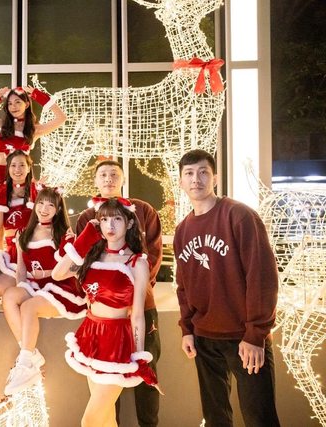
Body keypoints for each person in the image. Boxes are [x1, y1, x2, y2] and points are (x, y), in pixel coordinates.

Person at [174, 149, 280, 426]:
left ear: (215, 178)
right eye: (189, 173)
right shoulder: (182, 230)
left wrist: (255, 334)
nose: (196, 179)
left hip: (243, 337)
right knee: (215, 418)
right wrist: (187, 329)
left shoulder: (239, 215)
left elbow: (262, 277)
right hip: (204, 338)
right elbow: (183, 286)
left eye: (203, 172)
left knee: (260, 418)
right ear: (181, 182)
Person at [53, 198, 161, 427]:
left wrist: (139, 357)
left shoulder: (136, 263)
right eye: (104, 219)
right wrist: (84, 240)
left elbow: (138, 315)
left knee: (89, 421)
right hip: (90, 335)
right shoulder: (92, 257)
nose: (110, 225)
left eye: (117, 219)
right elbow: (58, 273)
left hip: (117, 342)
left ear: (129, 223)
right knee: (106, 418)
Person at [76, 159, 163, 427]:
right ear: (95, 181)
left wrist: (129, 293)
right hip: (100, 323)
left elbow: (153, 253)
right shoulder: (86, 218)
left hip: (140, 309)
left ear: (123, 179)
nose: (109, 179)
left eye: (114, 174)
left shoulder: (143, 210)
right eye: (103, 174)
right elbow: (81, 262)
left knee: (144, 372)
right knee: (104, 397)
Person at [2, 186, 87, 395]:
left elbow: (72, 268)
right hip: (36, 286)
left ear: (58, 209)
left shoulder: (63, 235)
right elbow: (21, 270)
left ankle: (25, 363)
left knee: (28, 307)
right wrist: (22, 288)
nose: (44, 208)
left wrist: (46, 273)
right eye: (41, 203)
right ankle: (30, 354)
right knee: (9, 296)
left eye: (51, 205)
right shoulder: (24, 233)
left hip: (60, 288)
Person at [0, 86, 66, 239]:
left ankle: (20, 253)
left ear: (27, 104)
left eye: (18, 102)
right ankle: (0, 255)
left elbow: (61, 118)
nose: (14, 107)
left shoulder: (33, 130)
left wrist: (38, 95)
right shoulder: (0, 124)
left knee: (23, 227)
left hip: (21, 178)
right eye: (10, 103)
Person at [0, 150, 37, 297]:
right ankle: (11, 279)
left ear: (29, 168)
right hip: (10, 251)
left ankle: (28, 284)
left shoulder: (35, 191)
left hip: (28, 251)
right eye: (13, 165)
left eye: (22, 165)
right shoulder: (3, 191)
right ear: (8, 168)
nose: (17, 169)